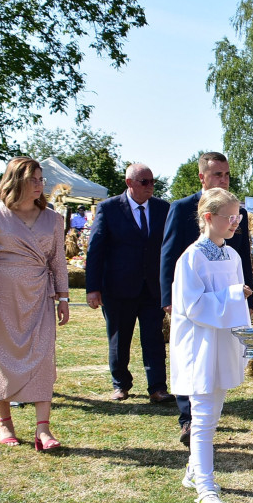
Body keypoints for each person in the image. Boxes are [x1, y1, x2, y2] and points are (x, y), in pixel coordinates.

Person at [0, 156, 69, 452]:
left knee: (42, 356)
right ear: (17, 181)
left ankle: (43, 428)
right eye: (34, 179)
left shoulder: (53, 219)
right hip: (0, 298)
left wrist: (63, 297)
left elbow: (58, 262)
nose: (40, 185)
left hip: (39, 295)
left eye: (41, 180)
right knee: (2, 357)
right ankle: (5, 422)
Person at [160, 152, 253, 445]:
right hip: (192, 301)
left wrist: (243, 298)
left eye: (226, 175)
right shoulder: (181, 210)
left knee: (218, 372)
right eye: (217, 175)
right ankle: (190, 422)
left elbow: (241, 259)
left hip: (226, 309)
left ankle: (203, 432)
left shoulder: (236, 222)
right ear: (202, 176)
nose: (223, 179)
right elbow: (170, 253)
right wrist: (169, 297)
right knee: (197, 369)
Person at [170, 188, 252, 503]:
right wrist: (234, 294)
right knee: (202, 416)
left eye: (238, 217)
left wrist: (246, 335)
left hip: (223, 342)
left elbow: (235, 303)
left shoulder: (232, 256)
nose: (236, 223)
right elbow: (192, 306)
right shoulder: (191, 258)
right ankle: (205, 489)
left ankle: (193, 469)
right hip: (200, 343)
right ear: (208, 218)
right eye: (230, 218)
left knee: (214, 411)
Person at [85, 163, 174, 403]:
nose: (150, 186)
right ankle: (120, 385)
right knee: (119, 338)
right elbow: (95, 250)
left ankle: (157, 387)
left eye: (152, 181)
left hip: (152, 288)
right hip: (117, 288)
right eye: (144, 182)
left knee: (154, 338)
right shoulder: (109, 208)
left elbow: (169, 249)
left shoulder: (163, 209)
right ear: (129, 183)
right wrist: (92, 288)